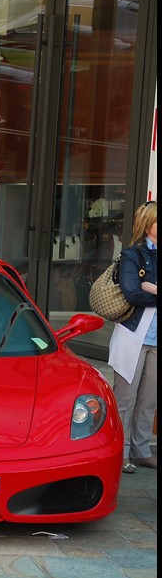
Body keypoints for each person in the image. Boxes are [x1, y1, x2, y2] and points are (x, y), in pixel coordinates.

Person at [109, 200, 157, 474]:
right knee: (125, 399)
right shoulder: (133, 255)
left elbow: (145, 292)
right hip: (133, 335)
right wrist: (149, 291)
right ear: (147, 224)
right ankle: (121, 451)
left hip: (156, 339)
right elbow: (133, 294)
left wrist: (154, 288)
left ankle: (141, 450)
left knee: (150, 399)